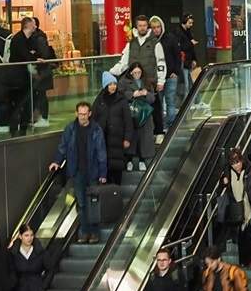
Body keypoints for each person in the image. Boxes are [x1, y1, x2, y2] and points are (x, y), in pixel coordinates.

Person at [51, 103, 111, 244]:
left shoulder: (96, 129)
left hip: (93, 173)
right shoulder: (70, 129)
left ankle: (94, 233)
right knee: (81, 204)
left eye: (84, 114)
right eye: (80, 114)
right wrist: (56, 162)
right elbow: (63, 147)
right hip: (77, 172)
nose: (82, 117)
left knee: (93, 204)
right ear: (76, 113)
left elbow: (101, 152)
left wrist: (103, 173)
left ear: (89, 114)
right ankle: (84, 233)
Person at [212, 146, 251, 267]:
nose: (236, 166)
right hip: (237, 207)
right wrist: (223, 181)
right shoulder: (228, 172)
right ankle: (243, 261)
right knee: (240, 235)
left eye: (237, 162)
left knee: (248, 233)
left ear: (242, 160)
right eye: (233, 163)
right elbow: (221, 185)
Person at [114, 18, 168, 127]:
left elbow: (161, 62)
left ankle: (159, 132)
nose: (142, 27)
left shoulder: (155, 43)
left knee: (156, 107)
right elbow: (124, 62)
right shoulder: (131, 43)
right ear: (136, 26)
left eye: (144, 25)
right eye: (140, 25)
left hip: (150, 81)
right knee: (134, 108)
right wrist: (112, 72)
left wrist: (161, 81)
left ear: (147, 26)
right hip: (133, 82)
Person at [93, 73, 134, 186]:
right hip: (103, 140)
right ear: (105, 85)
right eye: (110, 84)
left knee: (116, 168)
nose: (113, 86)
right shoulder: (99, 100)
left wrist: (127, 138)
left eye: (114, 84)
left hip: (117, 139)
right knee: (104, 167)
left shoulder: (121, 100)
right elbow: (94, 119)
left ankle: (116, 191)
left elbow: (128, 121)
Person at [151, 15, 185, 132]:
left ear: (162, 27)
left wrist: (176, 71)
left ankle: (170, 126)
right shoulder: (150, 41)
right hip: (157, 78)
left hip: (170, 76)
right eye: (154, 27)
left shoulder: (170, 38)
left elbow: (177, 56)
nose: (156, 30)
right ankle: (160, 126)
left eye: (158, 27)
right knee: (158, 104)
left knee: (170, 102)